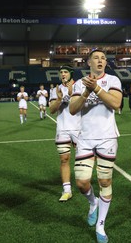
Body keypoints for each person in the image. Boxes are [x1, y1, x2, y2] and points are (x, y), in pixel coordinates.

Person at [69, 49, 122, 243]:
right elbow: (73, 109)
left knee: (105, 181)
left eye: (103, 58)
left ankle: (101, 224)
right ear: (88, 62)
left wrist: (97, 89)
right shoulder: (79, 84)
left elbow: (116, 103)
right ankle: (93, 203)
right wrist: (86, 91)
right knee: (82, 182)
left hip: (107, 138)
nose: (100, 61)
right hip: (85, 138)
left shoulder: (113, 81)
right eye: (96, 58)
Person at [49, 65, 81, 202]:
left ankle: (84, 184)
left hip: (80, 128)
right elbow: (51, 110)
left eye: (66, 72)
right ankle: (67, 190)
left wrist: (72, 94)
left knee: (84, 159)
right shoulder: (55, 90)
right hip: (62, 129)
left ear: (71, 73)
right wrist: (60, 99)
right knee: (64, 159)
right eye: (61, 72)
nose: (63, 74)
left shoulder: (80, 86)